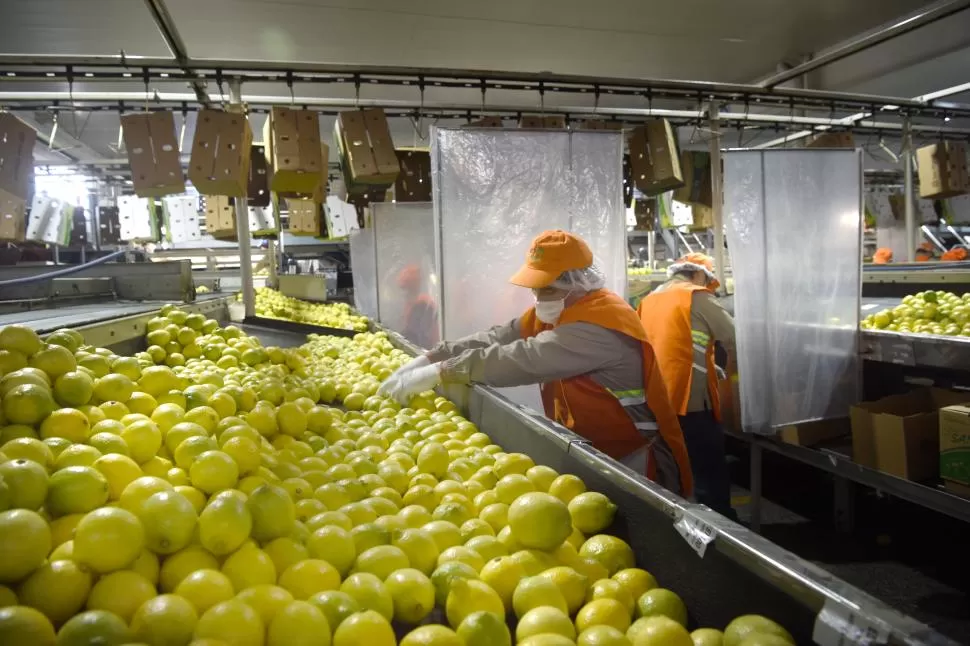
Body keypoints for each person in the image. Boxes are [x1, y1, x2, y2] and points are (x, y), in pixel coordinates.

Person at [379, 230, 693, 498]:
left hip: (634, 459)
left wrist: (442, 372)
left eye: (548, 288)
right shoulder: (558, 310)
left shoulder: (601, 323)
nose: (538, 296)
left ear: (578, 282)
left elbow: (524, 358)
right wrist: (434, 355)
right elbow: (499, 337)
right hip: (595, 450)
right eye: (536, 287)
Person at [636, 253, 737, 519]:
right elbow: (734, 335)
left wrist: (709, 365)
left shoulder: (649, 300)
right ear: (699, 274)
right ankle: (720, 525)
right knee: (708, 466)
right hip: (689, 396)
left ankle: (678, 518)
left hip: (656, 394)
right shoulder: (697, 296)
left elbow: (668, 342)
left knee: (674, 463)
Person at [396, 264, 440, 350]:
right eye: (401, 288)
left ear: (413, 288)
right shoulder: (411, 302)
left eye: (404, 288)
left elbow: (419, 336)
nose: (402, 293)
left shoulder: (422, 305)